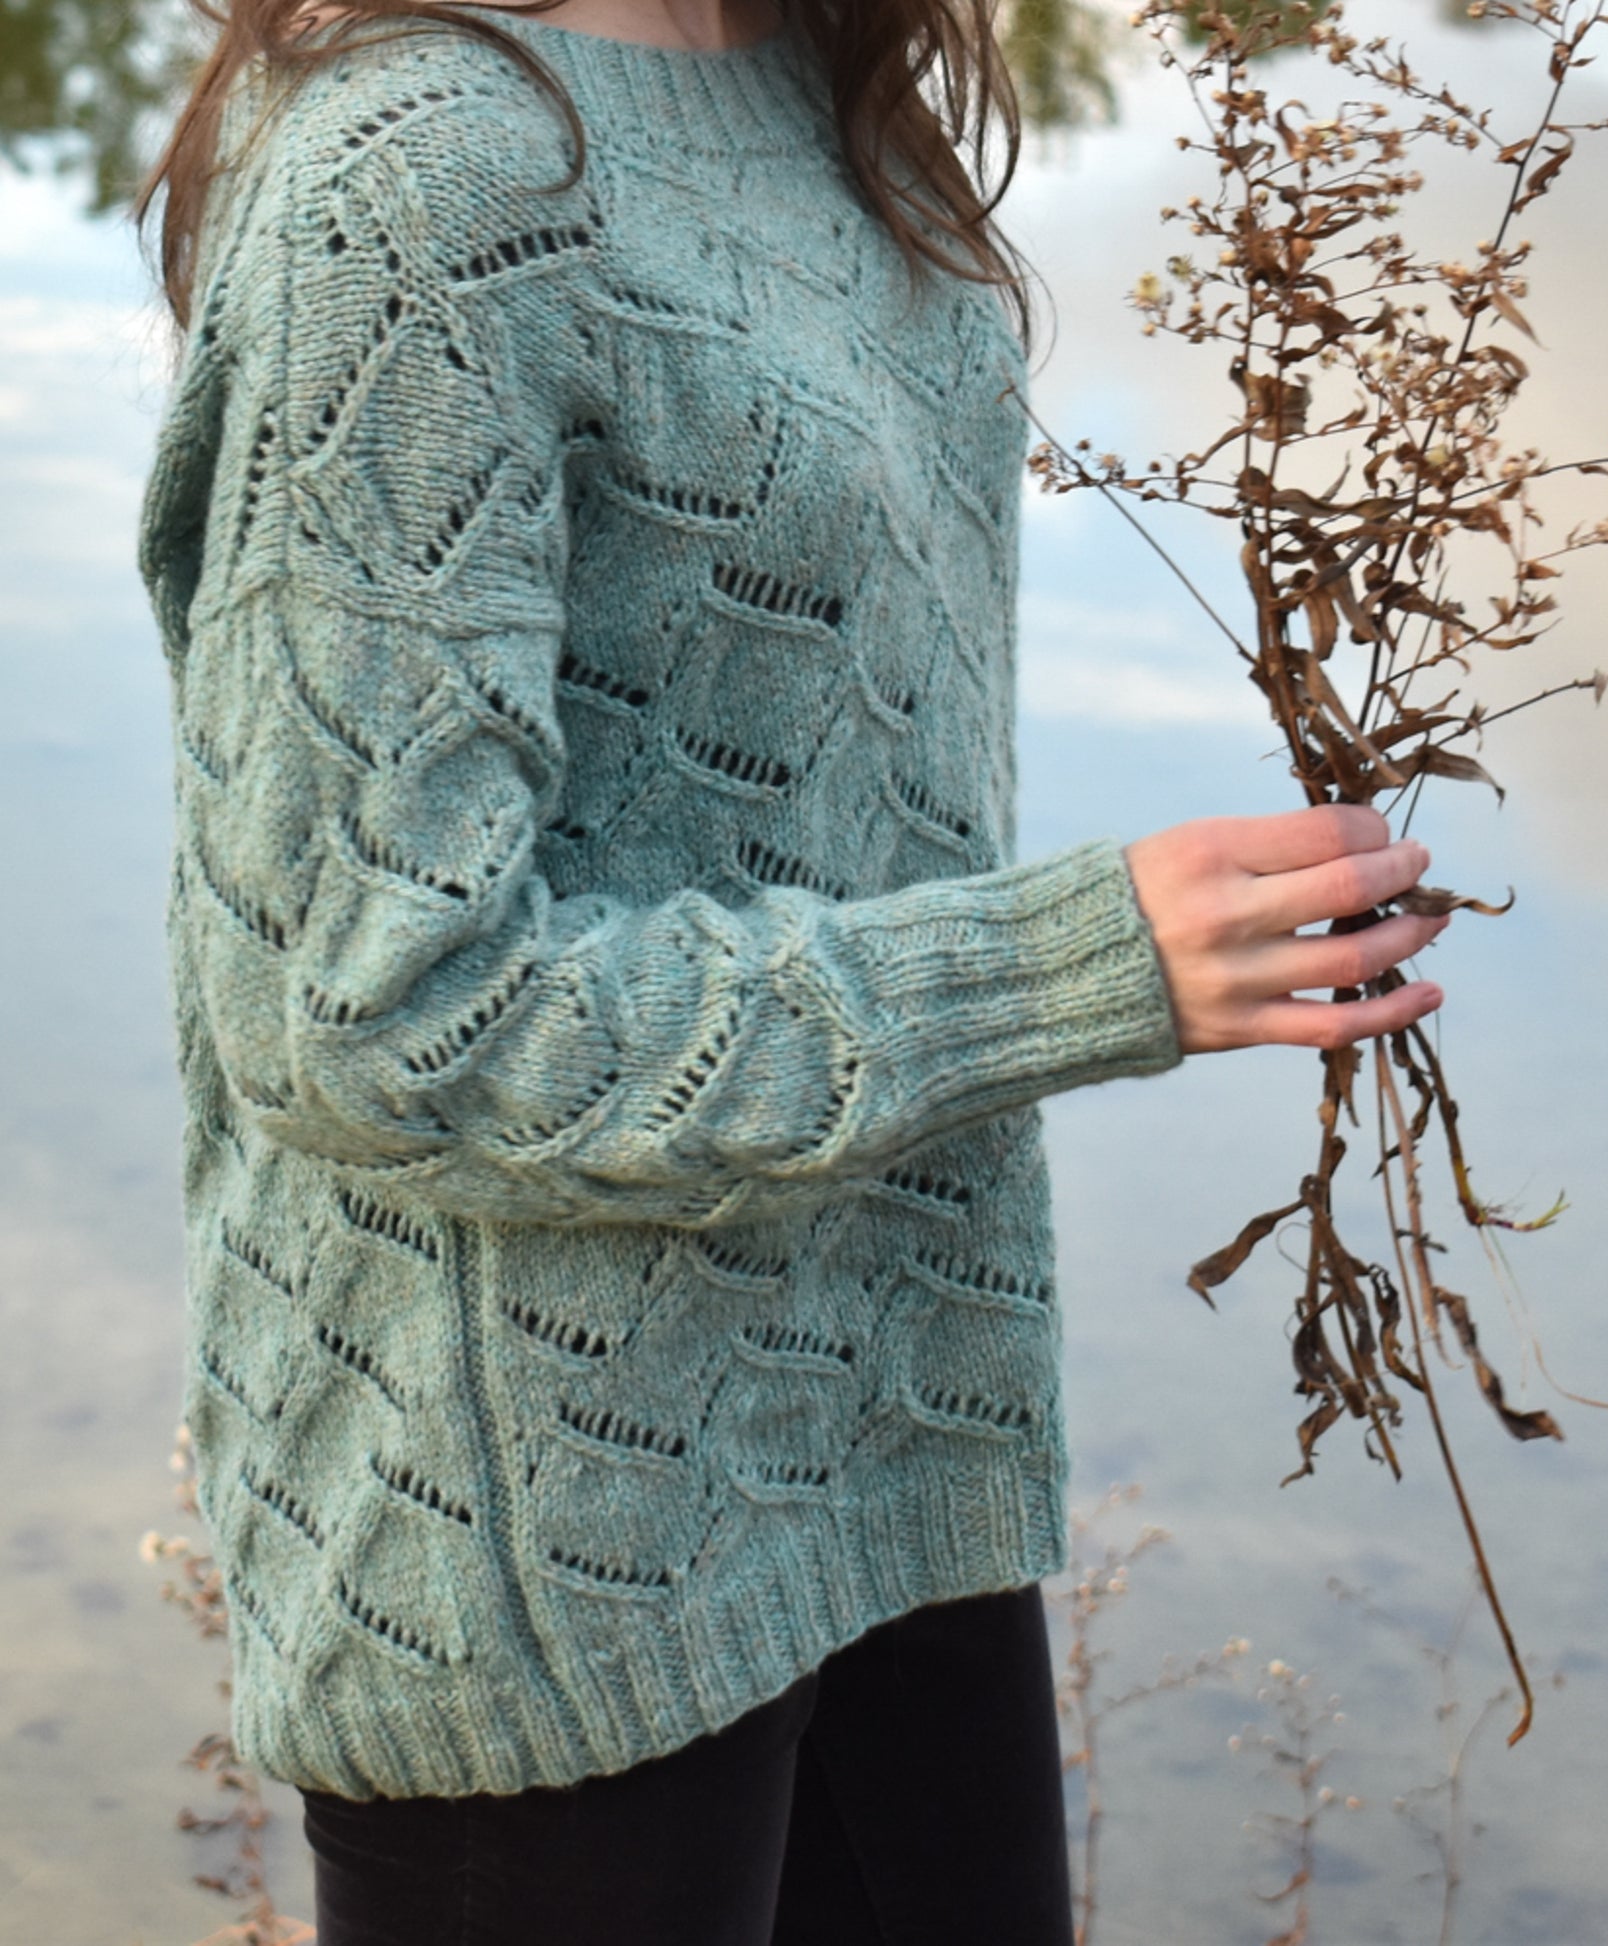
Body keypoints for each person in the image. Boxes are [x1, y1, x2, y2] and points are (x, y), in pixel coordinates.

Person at [132, 0, 1448, 1937]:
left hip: (887, 1432)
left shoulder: (818, 87)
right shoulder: (409, 179)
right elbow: (380, 1015)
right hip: (547, 1564)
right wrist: (1076, 966)